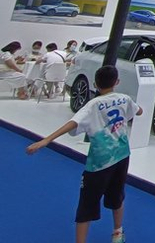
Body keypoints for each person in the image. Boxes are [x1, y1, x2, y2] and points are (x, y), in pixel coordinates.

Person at [26, 65, 142, 243]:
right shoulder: (124, 99)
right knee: (117, 195)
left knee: (87, 204)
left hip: (99, 163)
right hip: (122, 155)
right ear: (117, 82)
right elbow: (138, 111)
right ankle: (118, 232)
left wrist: (46, 140)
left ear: (95, 84)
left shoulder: (92, 105)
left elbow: (73, 123)